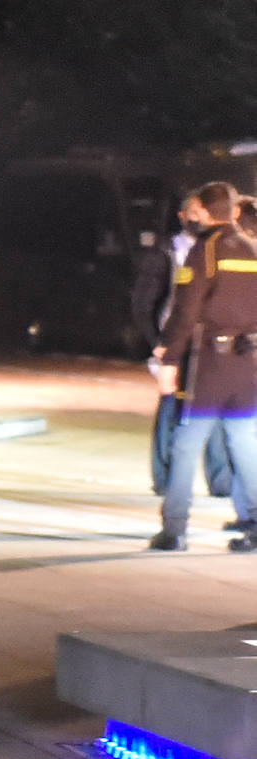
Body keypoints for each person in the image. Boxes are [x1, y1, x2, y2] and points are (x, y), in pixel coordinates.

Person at [151, 181, 257, 553]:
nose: (191, 216)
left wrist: (169, 359)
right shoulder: (253, 249)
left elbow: (185, 311)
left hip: (211, 366)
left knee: (185, 446)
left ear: (207, 211)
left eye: (195, 209)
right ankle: (256, 527)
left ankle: (174, 530)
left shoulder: (204, 251)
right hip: (249, 365)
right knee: (246, 445)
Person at [134, 194, 234, 505]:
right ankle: (165, 480)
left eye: (200, 213)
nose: (197, 219)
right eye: (192, 213)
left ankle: (222, 482)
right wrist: (159, 344)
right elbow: (143, 303)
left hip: (212, 347)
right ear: (182, 215)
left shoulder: (220, 250)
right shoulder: (167, 252)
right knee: (171, 413)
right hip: (176, 346)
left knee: (216, 415)